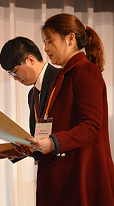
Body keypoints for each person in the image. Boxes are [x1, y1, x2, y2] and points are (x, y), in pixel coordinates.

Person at [25, 13, 114, 205]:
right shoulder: (62, 76)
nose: (46, 48)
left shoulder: (85, 70)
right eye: (44, 42)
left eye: (50, 41)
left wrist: (54, 142)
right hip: (63, 173)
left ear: (70, 38)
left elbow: (91, 125)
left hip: (79, 174)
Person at [0, 36, 60, 162]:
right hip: (46, 168)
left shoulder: (60, 79)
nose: (15, 78)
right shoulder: (32, 95)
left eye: (15, 71)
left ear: (30, 59)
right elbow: (39, 139)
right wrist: (18, 152)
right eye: (11, 74)